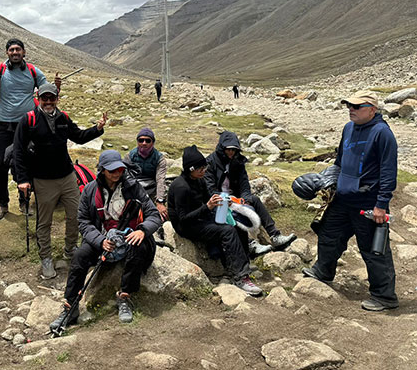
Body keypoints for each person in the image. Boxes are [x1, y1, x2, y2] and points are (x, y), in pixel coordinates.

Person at [302, 90, 399, 311]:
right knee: (328, 234)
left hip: (368, 203)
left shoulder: (382, 133)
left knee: (374, 250)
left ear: (372, 109)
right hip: (342, 198)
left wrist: (381, 205)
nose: (350, 110)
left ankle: (385, 296)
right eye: (349, 105)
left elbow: (388, 172)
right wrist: (326, 180)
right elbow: (339, 162)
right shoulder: (348, 128)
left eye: (356, 107)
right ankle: (323, 271)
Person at [49, 150, 161, 330]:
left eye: (120, 169)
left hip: (130, 234)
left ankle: (125, 296)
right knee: (79, 256)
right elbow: (83, 222)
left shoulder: (133, 187)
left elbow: (154, 214)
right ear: (102, 170)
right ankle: (70, 306)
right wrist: (100, 241)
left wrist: (141, 231)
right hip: (102, 238)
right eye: (112, 170)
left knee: (138, 247)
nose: (117, 173)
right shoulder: (89, 190)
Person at [13, 83, 106, 279]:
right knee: (44, 221)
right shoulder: (28, 120)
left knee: (76, 214)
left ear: (57, 98)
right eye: (44, 98)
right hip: (42, 179)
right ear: (38, 98)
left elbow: (79, 137)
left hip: (67, 176)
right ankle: (46, 257)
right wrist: (22, 179)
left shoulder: (63, 118)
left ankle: (71, 248)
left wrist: (97, 129)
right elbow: (18, 151)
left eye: (51, 98)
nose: (48, 101)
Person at [0, 38, 58, 221]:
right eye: (11, 50)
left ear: (24, 52)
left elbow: (46, 91)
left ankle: (24, 201)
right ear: (7, 53)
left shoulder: (33, 71)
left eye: (18, 50)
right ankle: (2, 203)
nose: (15, 53)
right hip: (4, 125)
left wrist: (56, 87)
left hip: (29, 126)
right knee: (0, 165)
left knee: (26, 163)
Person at [167, 145, 262, 296]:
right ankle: (240, 277)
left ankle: (243, 265)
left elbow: (207, 199)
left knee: (235, 224)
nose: (204, 171)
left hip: (200, 217)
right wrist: (208, 207)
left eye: (204, 167)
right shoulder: (181, 187)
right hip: (186, 226)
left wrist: (223, 201)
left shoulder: (199, 180)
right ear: (191, 169)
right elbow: (183, 219)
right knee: (227, 231)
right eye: (201, 168)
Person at [206, 131, 297, 256]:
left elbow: (244, 184)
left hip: (235, 198)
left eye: (234, 149)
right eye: (228, 149)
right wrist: (226, 199)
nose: (231, 152)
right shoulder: (210, 163)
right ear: (222, 148)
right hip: (219, 201)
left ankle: (274, 235)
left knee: (255, 199)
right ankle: (250, 244)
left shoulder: (237, 162)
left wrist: (245, 198)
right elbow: (209, 188)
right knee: (229, 213)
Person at [127, 127, 168, 221]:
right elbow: (126, 176)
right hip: (134, 187)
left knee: (160, 215)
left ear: (152, 142)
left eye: (147, 140)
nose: (144, 143)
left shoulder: (159, 159)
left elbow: (160, 179)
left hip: (152, 188)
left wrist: (160, 201)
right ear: (137, 142)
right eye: (141, 140)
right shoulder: (130, 156)